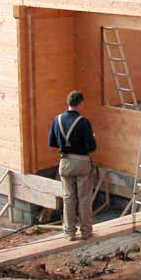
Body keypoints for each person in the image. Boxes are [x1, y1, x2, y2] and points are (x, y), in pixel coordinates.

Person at [48, 90, 97, 241]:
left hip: (65, 161)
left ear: (68, 103)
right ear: (80, 103)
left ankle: (69, 232)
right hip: (82, 162)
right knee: (84, 198)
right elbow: (91, 147)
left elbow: (52, 142)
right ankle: (86, 231)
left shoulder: (57, 120)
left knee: (68, 198)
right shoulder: (83, 122)